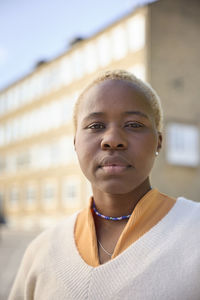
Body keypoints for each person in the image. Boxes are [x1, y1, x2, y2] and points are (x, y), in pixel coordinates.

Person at [9, 70, 200, 299]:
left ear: (158, 141)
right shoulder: (41, 252)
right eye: (96, 126)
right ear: (76, 143)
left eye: (133, 124)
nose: (112, 140)